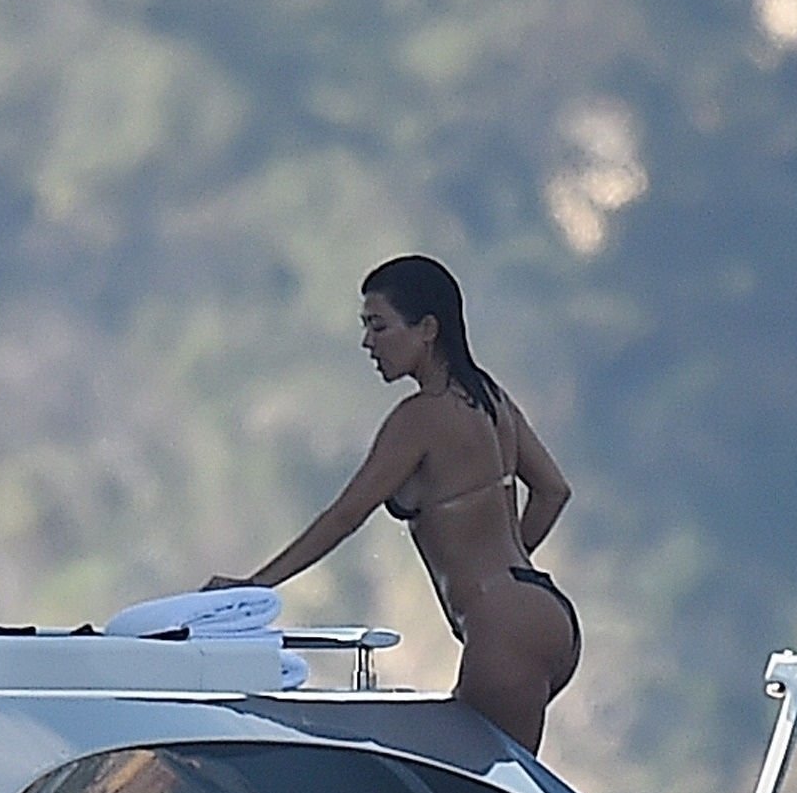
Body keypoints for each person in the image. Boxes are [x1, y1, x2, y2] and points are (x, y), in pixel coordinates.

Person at [206, 255, 578, 752]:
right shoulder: (490, 398)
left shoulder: (420, 419)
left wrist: (254, 588)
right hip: (543, 609)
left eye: (379, 326)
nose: (368, 342)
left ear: (428, 329)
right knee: (496, 782)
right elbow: (552, 492)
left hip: (503, 626)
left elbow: (345, 516)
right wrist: (508, 576)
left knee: (476, 792)